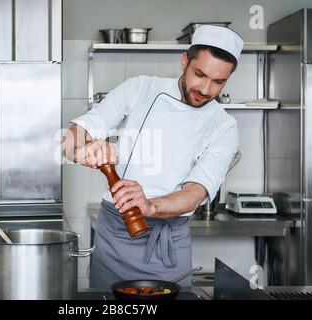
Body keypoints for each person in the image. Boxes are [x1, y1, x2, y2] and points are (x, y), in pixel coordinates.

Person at [61, 25, 244, 289]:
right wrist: (81, 150)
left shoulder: (223, 125)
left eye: (218, 82)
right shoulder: (140, 88)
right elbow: (70, 139)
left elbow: (197, 191)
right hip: (115, 234)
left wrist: (150, 206)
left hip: (169, 241)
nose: (205, 89)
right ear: (184, 61)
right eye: (199, 74)